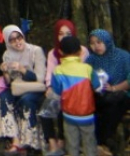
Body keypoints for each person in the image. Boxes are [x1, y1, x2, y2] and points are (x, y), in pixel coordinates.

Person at [0, 23, 47, 153]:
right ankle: (15, 139)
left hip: (34, 88)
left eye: (19, 37)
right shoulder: (7, 55)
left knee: (26, 100)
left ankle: (29, 142)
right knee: (3, 98)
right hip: (18, 87)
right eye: (12, 40)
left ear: (23, 36)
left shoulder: (36, 51)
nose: (17, 42)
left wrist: (22, 69)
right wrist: (5, 71)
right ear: (7, 42)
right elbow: (9, 83)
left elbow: (40, 78)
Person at [44, 19, 88, 154]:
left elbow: (81, 72)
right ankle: (52, 143)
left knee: (63, 104)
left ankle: (63, 141)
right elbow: (50, 73)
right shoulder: (53, 53)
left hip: (77, 91)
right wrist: (49, 87)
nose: (64, 37)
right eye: (61, 34)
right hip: (58, 89)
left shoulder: (82, 51)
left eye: (68, 34)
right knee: (46, 107)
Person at [50, 34, 97, 156]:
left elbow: (56, 92)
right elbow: (97, 86)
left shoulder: (58, 70)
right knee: (90, 144)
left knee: (72, 145)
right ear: (80, 51)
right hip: (87, 115)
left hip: (68, 115)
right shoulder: (88, 68)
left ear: (60, 52)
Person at [86, 29, 130, 154]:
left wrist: (114, 88)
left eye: (99, 42)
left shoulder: (123, 56)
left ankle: (100, 141)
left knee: (116, 102)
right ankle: (100, 143)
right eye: (92, 43)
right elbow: (84, 78)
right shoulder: (91, 59)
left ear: (107, 41)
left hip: (121, 93)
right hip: (99, 96)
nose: (96, 46)